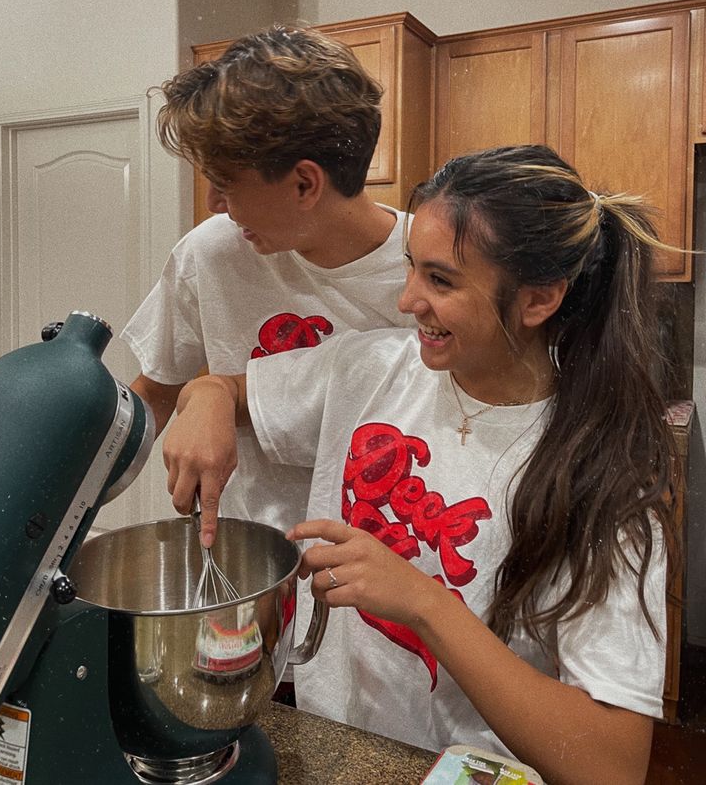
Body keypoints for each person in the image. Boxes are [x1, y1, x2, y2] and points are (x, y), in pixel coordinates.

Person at [162, 145, 681, 784]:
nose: (407, 300)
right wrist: (207, 399)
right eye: (411, 268)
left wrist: (425, 605)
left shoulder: (602, 479)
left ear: (539, 299)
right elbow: (222, 393)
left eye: (440, 280)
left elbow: (613, 765)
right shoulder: (371, 369)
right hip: (336, 752)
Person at [121, 24, 415, 547]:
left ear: (305, 183)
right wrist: (62, 496)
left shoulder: (436, 273)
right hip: (249, 560)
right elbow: (156, 391)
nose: (213, 203)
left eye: (226, 183)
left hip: (391, 571)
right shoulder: (210, 252)